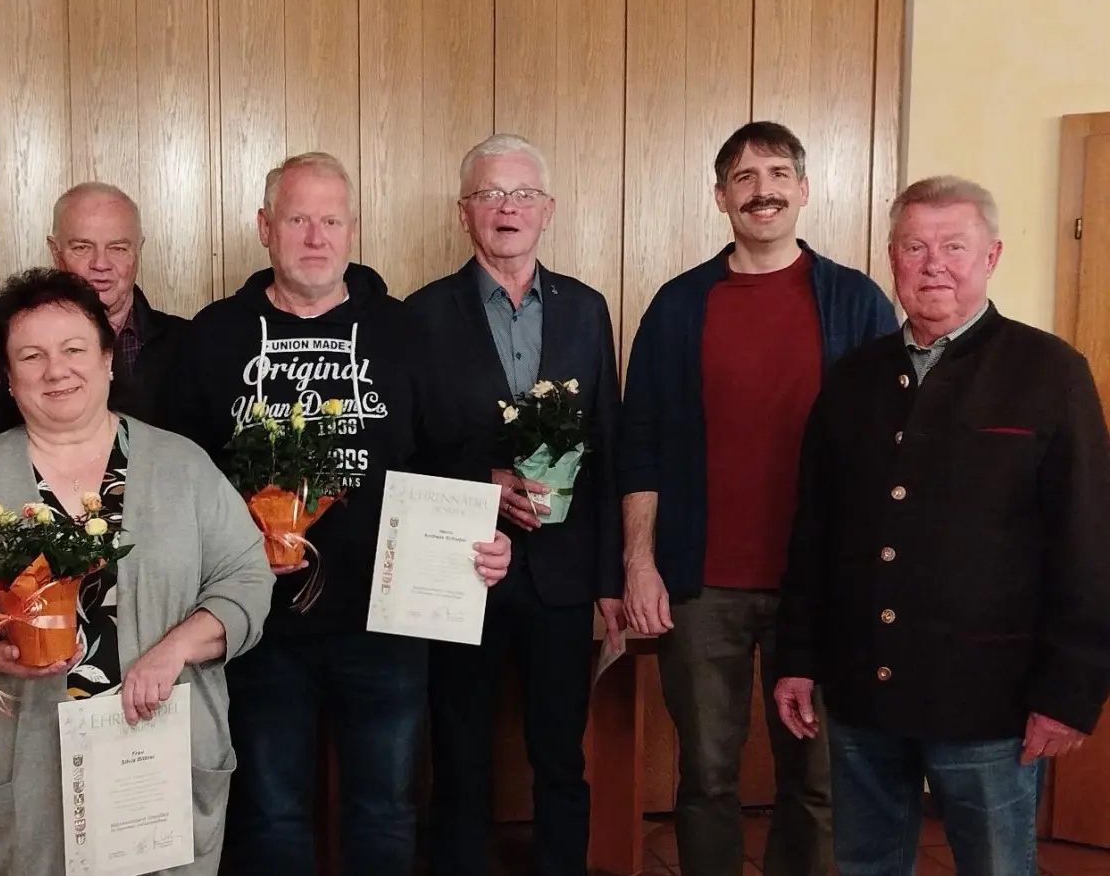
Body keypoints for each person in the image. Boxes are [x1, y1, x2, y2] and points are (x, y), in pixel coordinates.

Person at [153, 151, 513, 876]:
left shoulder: (407, 332)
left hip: (386, 618)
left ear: (351, 230)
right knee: (271, 810)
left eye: (330, 220)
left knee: (384, 809)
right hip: (253, 621)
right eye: (297, 219)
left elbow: (456, 457)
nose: (314, 237)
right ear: (264, 228)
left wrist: (485, 538)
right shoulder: (212, 337)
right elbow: (177, 474)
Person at [773, 176, 1110, 876]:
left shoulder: (1051, 372)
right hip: (864, 684)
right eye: (915, 246)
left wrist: (1068, 693)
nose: (934, 264)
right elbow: (815, 534)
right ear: (891, 258)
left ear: (991, 255)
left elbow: (1088, 543)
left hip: (991, 695)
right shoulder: (853, 378)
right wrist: (798, 658)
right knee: (866, 863)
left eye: (954, 246)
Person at [0, 267, 274, 874]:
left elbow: (247, 582)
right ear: (10, 380)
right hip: (15, 771)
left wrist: (173, 650)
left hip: (154, 759)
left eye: (73, 349)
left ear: (108, 359)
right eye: (31, 356)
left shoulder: (183, 466)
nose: (55, 370)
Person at [618, 121, 897, 876]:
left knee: (817, 780)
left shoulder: (857, 302)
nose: (762, 190)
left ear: (803, 191)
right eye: (743, 178)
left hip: (823, 589)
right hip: (699, 585)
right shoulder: (678, 307)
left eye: (777, 174)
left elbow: (891, 446)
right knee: (706, 776)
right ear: (720, 197)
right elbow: (638, 442)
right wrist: (638, 564)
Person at [405, 133, 623, 875]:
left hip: (562, 579)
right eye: (491, 195)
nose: (508, 208)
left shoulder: (589, 310)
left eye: (523, 195)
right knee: (460, 758)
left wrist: (610, 580)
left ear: (548, 210)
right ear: (464, 212)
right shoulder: (422, 315)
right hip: (460, 568)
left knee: (560, 756)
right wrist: (482, 485)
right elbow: (406, 451)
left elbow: (606, 443)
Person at [0, 181, 185, 437]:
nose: (101, 264)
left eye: (117, 248)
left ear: (137, 251)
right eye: (82, 247)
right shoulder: (10, 347)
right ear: (55, 251)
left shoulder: (186, 342)